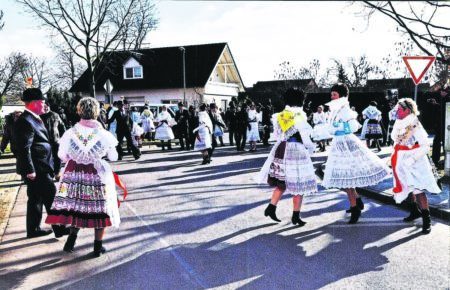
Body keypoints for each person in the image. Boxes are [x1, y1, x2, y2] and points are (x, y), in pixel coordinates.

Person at [45, 97, 121, 256]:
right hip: (96, 173)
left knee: (76, 207)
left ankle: (71, 241)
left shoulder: (70, 133)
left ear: (79, 111)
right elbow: (114, 157)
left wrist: (75, 156)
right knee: (99, 209)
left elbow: (62, 155)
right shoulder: (103, 134)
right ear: (97, 112)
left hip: (73, 174)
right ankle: (97, 246)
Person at [322, 83, 390, 224]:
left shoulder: (345, 109)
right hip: (338, 144)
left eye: (334, 94)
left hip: (347, 143)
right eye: (331, 94)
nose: (332, 96)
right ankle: (356, 200)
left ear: (341, 95)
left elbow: (352, 126)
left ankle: (354, 208)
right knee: (342, 177)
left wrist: (340, 126)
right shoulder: (334, 109)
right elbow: (330, 127)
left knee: (348, 179)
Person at [256, 88, 318, 226]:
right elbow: (304, 136)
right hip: (296, 150)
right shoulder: (298, 114)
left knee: (282, 182)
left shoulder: (280, 115)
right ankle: (295, 215)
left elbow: (277, 135)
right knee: (299, 183)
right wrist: (311, 148)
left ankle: (271, 207)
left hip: (282, 148)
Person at [14, 88, 69, 239]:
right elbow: (24, 148)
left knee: (36, 199)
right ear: (34, 103)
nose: (44, 105)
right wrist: (30, 169)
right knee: (52, 197)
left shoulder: (34, 118)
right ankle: (60, 228)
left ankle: (33, 229)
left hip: (41, 166)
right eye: (42, 102)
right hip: (38, 168)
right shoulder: (26, 120)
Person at [390, 98, 442, 234]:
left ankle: (427, 219)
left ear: (407, 110)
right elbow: (396, 141)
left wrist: (412, 159)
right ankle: (414, 211)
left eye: (400, 109)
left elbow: (425, 145)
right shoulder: (398, 122)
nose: (397, 111)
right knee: (407, 186)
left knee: (418, 190)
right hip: (401, 158)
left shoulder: (414, 123)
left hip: (414, 160)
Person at [40, 103, 66, 181]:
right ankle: (50, 174)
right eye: (43, 107)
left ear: (49, 107)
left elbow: (62, 126)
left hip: (56, 141)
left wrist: (63, 138)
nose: (45, 108)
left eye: (46, 106)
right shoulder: (38, 116)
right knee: (47, 159)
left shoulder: (55, 115)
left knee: (58, 158)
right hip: (44, 142)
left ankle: (57, 173)